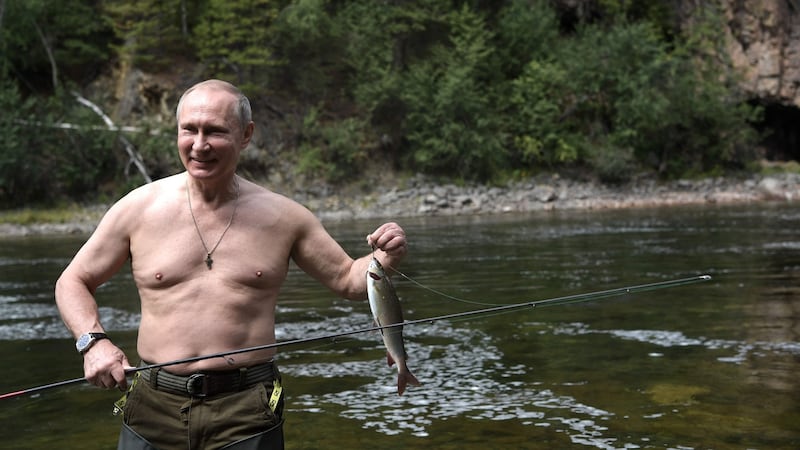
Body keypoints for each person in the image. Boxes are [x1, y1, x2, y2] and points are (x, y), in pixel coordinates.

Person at [54, 79, 407, 450]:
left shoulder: (285, 218)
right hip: (153, 405)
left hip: (247, 408)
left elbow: (349, 279)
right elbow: (73, 281)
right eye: (189, 129)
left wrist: (382, 258)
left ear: (246, 135)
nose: (199, 145)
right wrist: (93, 342)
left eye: (215, 131)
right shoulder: (138, 209)